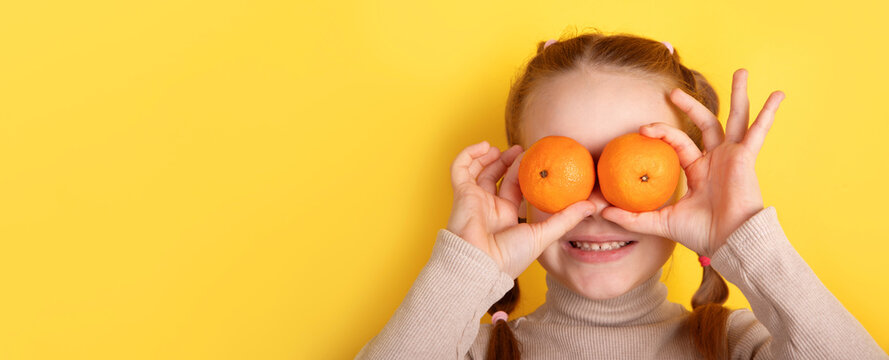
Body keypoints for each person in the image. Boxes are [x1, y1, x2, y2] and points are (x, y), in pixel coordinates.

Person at [355, 30, 887, 359]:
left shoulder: (734, 347)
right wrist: (470, 263)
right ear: (520, 185)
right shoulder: (475, 352)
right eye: (565, 168)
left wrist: (746, 236)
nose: (596, 207)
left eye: (631, 167)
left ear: (682, 184)